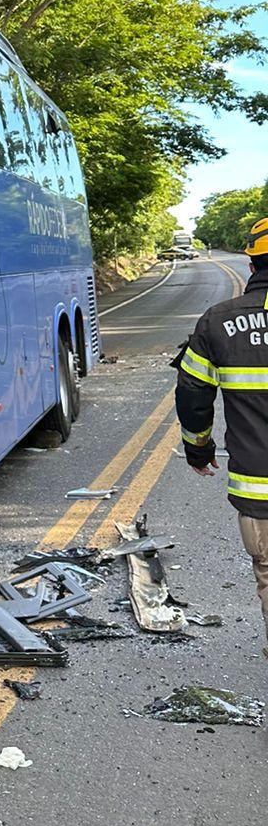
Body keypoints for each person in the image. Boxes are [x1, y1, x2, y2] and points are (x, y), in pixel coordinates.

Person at [176, 217, 268, 655]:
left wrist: (199, 450)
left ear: (251, 266)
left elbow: (193, 393)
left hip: (260, 494)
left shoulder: (218, 322)